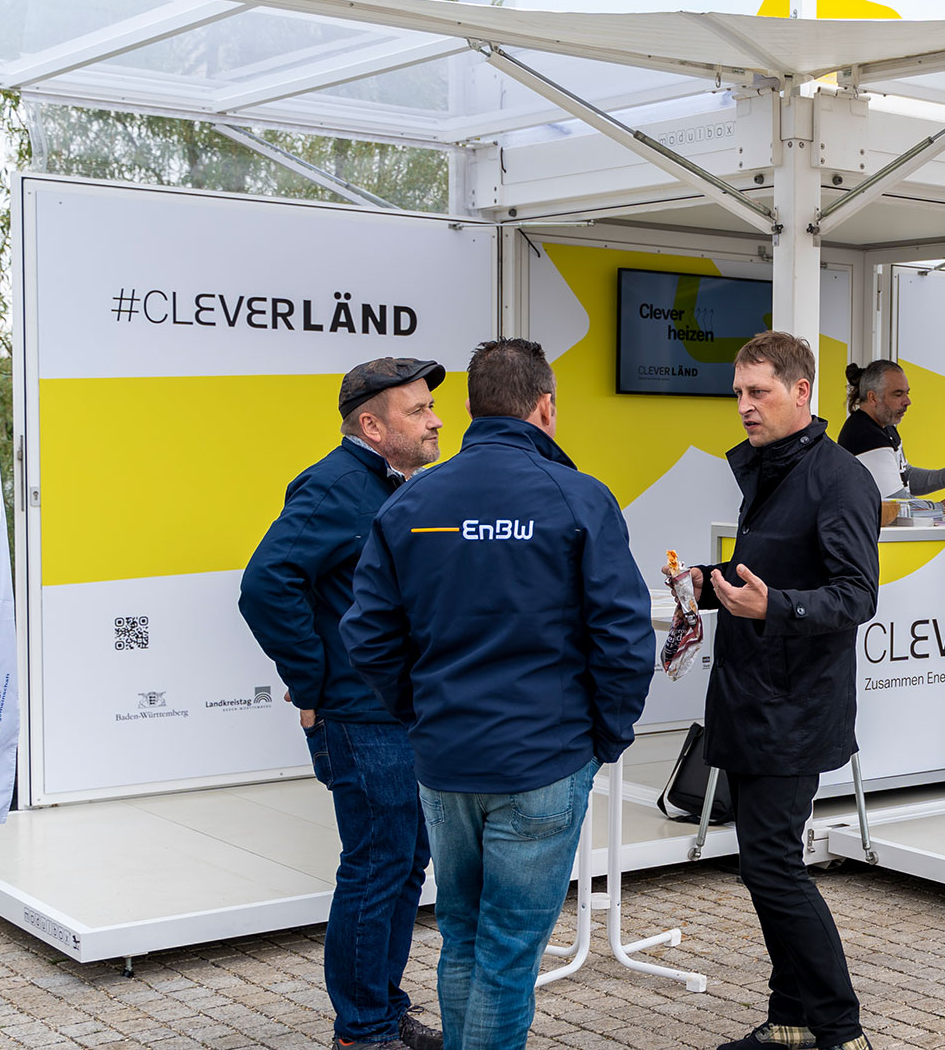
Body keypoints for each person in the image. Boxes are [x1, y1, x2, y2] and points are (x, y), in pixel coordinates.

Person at [342, 339, 655, 1050]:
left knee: (462, 937)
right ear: (544, 407)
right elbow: (622, 636)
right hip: (543, 760)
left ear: (472, 410)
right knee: (509, 952)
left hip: (448, 762)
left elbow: (368, 634)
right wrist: (603, 739)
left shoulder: (413, 501)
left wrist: (420, 713)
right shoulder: (578, 497)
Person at [677, 332, 881, 1050]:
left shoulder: (840, 479)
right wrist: (704, 585)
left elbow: (857, 596)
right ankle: (792, 1019)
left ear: (802, 392)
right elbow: (764, 566)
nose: (743, 406)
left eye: (756, 391)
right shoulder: (768, 469)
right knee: (770, 860)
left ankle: (839, 1029)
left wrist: (776, 608)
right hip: (752, 695)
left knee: (770, 863)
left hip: (796, 705)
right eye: (737, 392)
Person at [238, 357, 446, 1050]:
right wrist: (314, 682)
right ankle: (361, 1031)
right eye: (417, 411)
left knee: (404, 860)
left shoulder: (390, 485)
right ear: (371, 424)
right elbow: (266, 585)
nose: (435, 420)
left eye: (429, 408)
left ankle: (382, 1010)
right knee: (378, 865)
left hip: (397, 712)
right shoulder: (333, 486)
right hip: (360, 719)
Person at [837, 358, 945, 512]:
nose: (907, 401)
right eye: (898, 394)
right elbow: (895, 503)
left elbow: (905, 476)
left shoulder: (885, 425)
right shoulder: (864, 434)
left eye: (907, 393)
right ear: (873, 398)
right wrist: (938, 509)